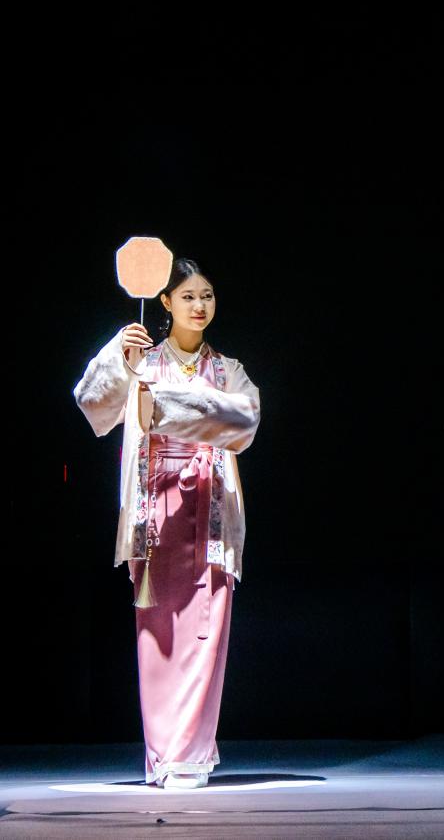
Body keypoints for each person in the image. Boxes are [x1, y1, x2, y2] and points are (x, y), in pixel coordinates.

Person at [74, 258, 261, 789]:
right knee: (157, 636)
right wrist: (118, 355)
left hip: (210, 508)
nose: (200, 306)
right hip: (155, 512)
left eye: (207, 295)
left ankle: (191, 756)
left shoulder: (227, 370)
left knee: (206, 633)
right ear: (165, 302)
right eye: (188, 297)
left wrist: (166, 403)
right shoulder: (143, 361)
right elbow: (93, 406)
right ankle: (162, 755)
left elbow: (244, 420)